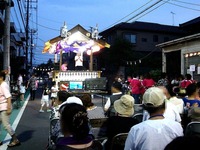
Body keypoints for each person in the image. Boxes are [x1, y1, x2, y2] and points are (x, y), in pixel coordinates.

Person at [0, 71, 20, 147]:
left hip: (4, 107)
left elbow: (8, 97)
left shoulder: (3, 85)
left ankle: (15, 140)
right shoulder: (1, 85)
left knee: (6, 125)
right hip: (1, 107)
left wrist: (9, 108)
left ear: (1, 78)